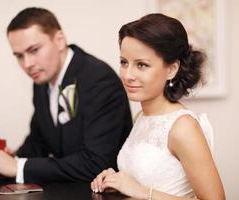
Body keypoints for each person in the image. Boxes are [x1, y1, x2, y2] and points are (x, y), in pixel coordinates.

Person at [0, 7, 132, 184]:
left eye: (34, 50)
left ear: (59, 40)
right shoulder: (41, 79)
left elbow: (95, 164)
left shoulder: (99, 79)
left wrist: (19, 167)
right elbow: (39, 141)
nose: (27, 64)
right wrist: (9, 157)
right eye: (19, 56)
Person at [91, 13, 225, 200]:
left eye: (142, 65)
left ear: (171, 69)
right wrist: (116, 181)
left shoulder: (183, 127)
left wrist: (142, 191)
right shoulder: (141, 117)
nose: (128, 75)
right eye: (124, 62)